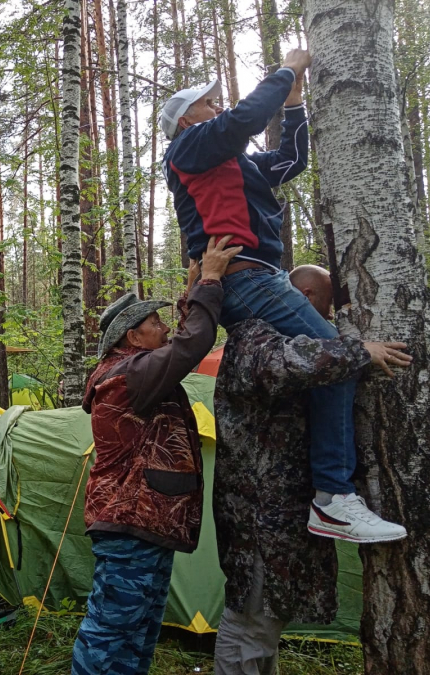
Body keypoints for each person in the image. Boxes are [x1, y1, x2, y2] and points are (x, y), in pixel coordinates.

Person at [161, 49, 406, 543]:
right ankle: (333, 498)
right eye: (210, 104)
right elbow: (246, 117)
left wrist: (293, 105)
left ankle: (331, 491)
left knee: (315, 371)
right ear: (187, 119)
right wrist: (287, 70)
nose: (218, 107)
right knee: (337, 361)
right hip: (247, 278)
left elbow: (290, 160)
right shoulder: (187, 148)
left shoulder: (229, 162)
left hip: (257, 278)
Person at [212, 266, 412, 674]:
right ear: (303, 295)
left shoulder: (278, 333)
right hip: (260, 522)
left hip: (281, 518)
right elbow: (282, 365)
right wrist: (358, 350)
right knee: (251, 622)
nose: (328, 322)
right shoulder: (253, 334)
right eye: (325, 307)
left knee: (263, 625)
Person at [71, 235, 241, 675]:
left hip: (145, 525)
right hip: (131, 524)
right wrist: (208, 281)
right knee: (111, 632)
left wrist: (192, 292)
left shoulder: (133, 369)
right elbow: (191, 345)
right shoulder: (129, 374)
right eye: (154, 323)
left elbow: (180, 342)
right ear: (133, 336)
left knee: (139, 632)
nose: (164, 328)